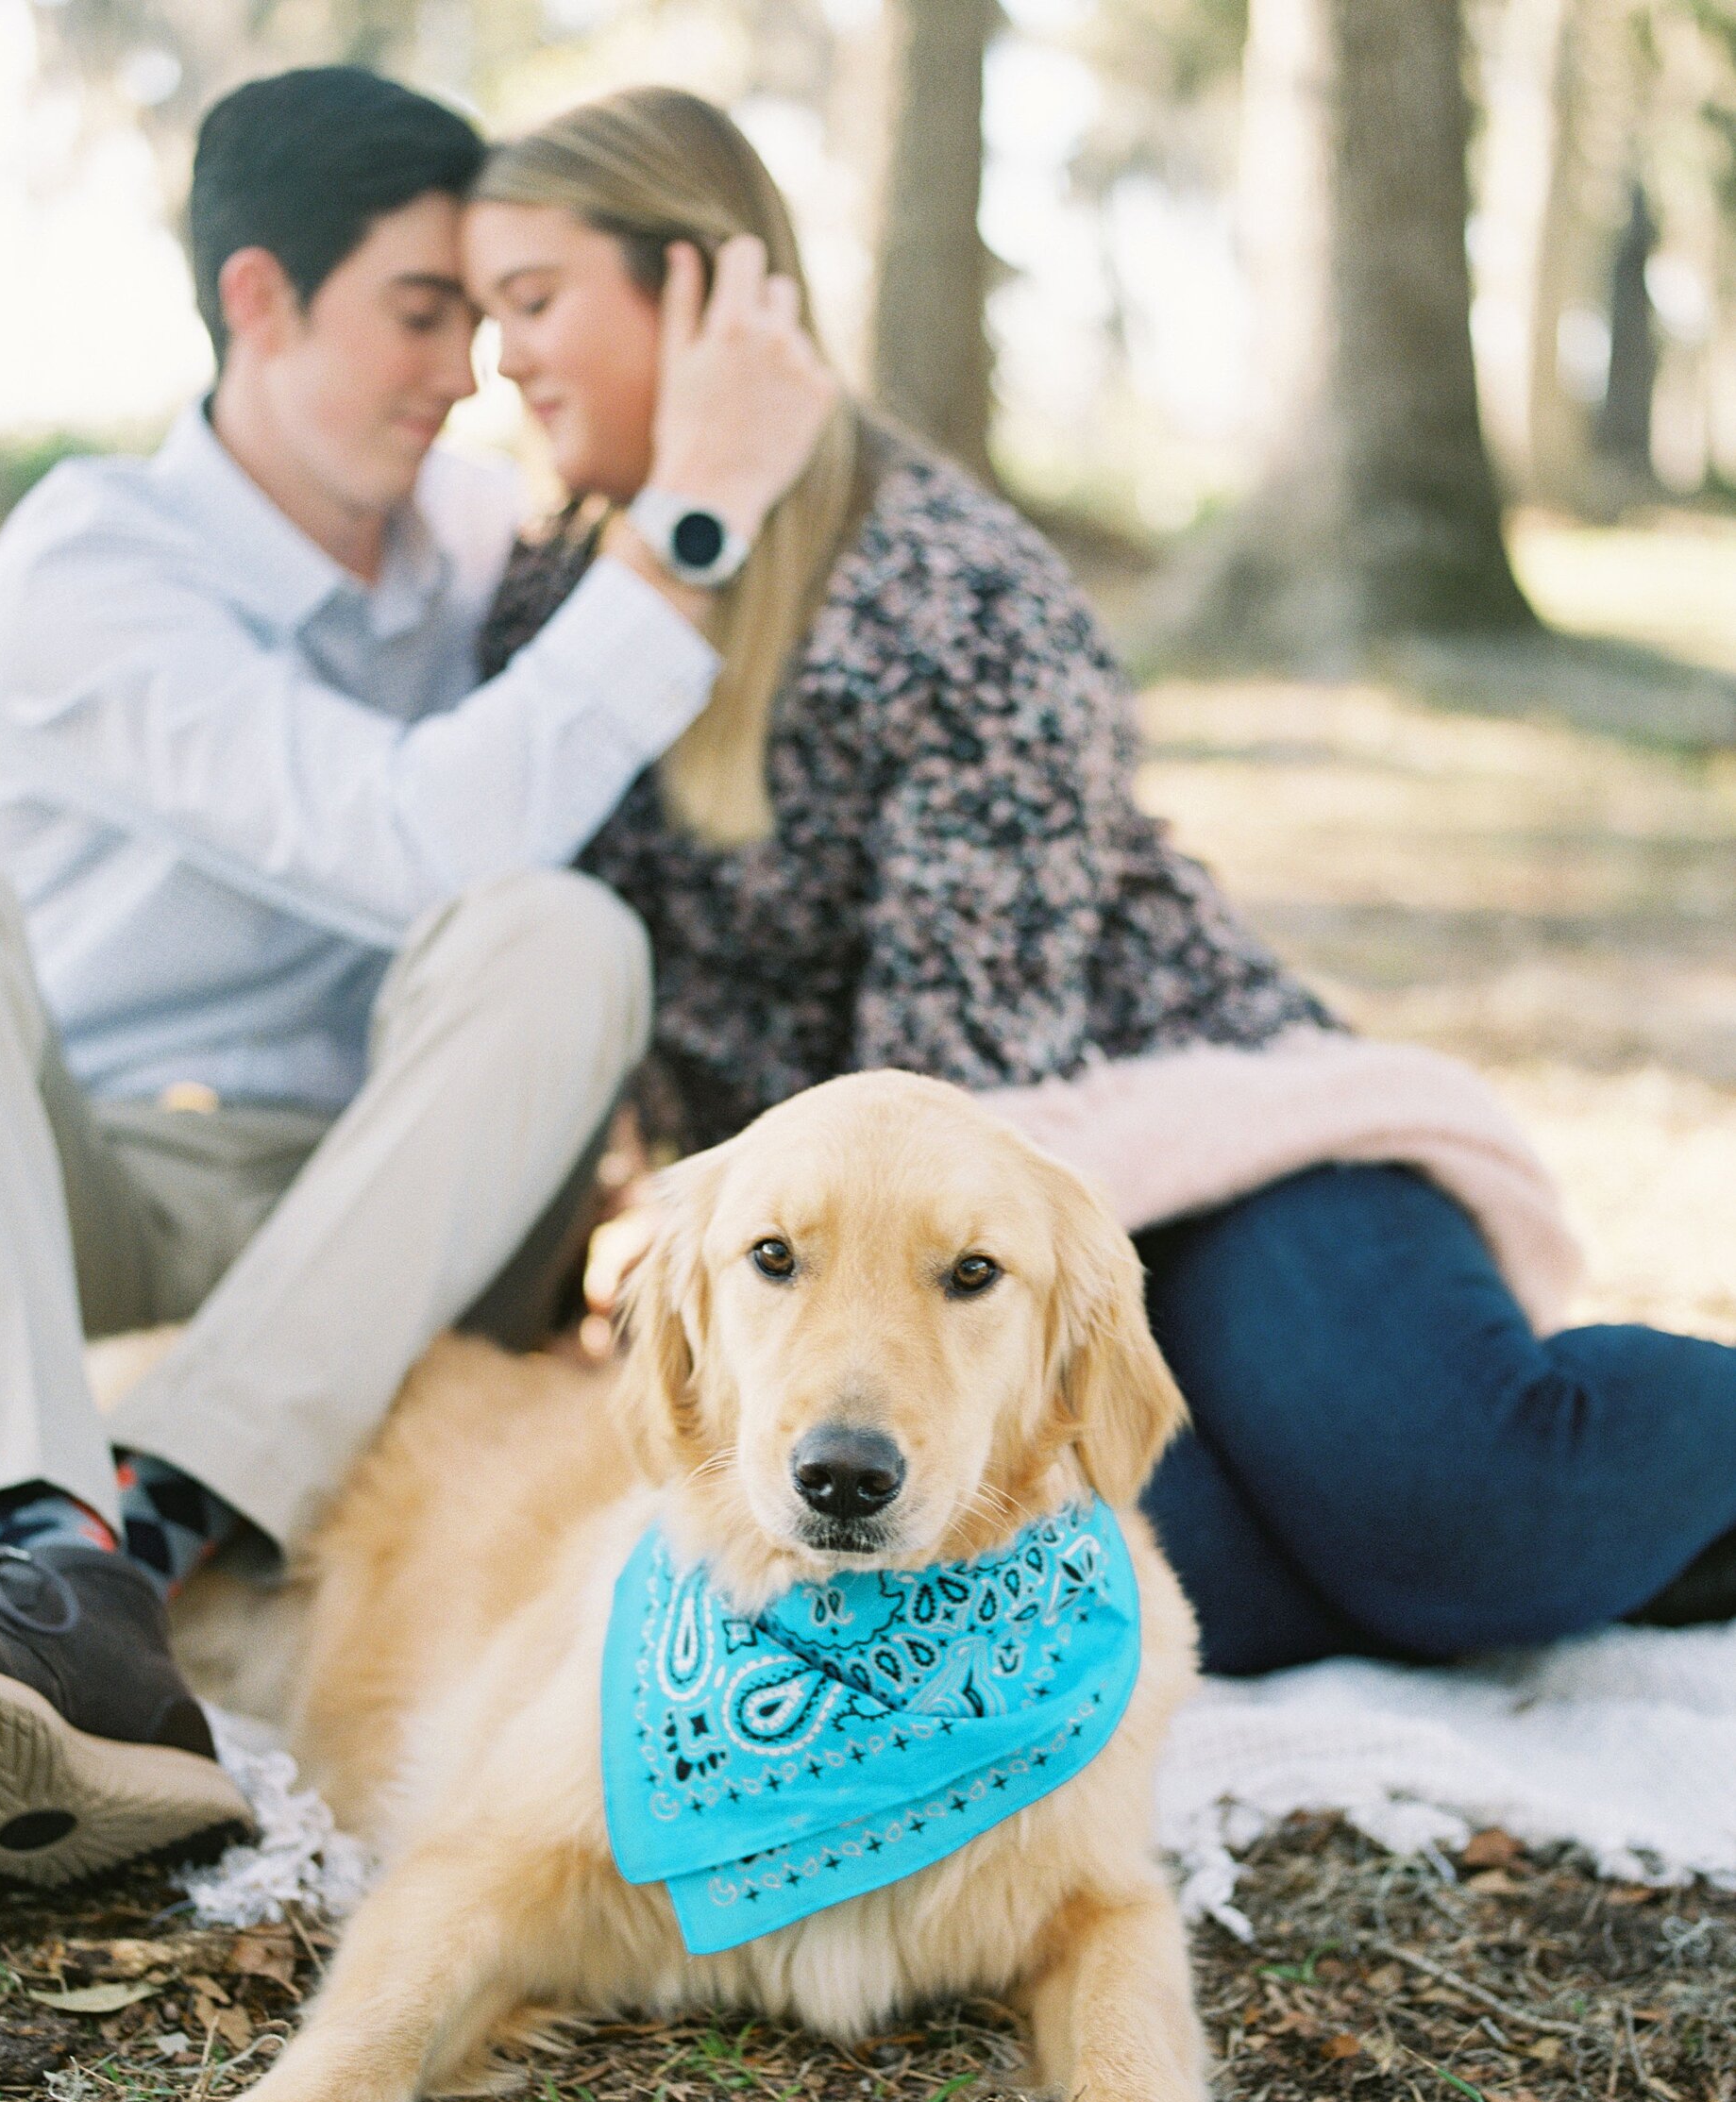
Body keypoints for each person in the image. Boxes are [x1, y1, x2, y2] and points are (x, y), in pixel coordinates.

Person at [464, 86, 1736, 1677]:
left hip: (1196, 1151)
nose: (495, 357)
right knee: (1136, 1594)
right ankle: (1574, 1555)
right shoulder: (553, 603)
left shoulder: (943, 575)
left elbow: (959, 1078)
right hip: (889, 1278)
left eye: (530, 303)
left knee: (1456, 1518)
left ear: (705, 289)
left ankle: (1550, 1513)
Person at [0, 65, 836, 1879]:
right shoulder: (96, 559)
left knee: (565, 935)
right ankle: (31, 1513)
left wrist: (706, 456)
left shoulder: (476, 544)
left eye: (482, 321)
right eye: (419, 314)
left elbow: (509, 865)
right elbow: (407, 832)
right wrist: (685, 522)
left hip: (391, 1203)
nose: (464, 370)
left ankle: (101, 1570)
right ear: (260, 297)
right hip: (94, 1182)